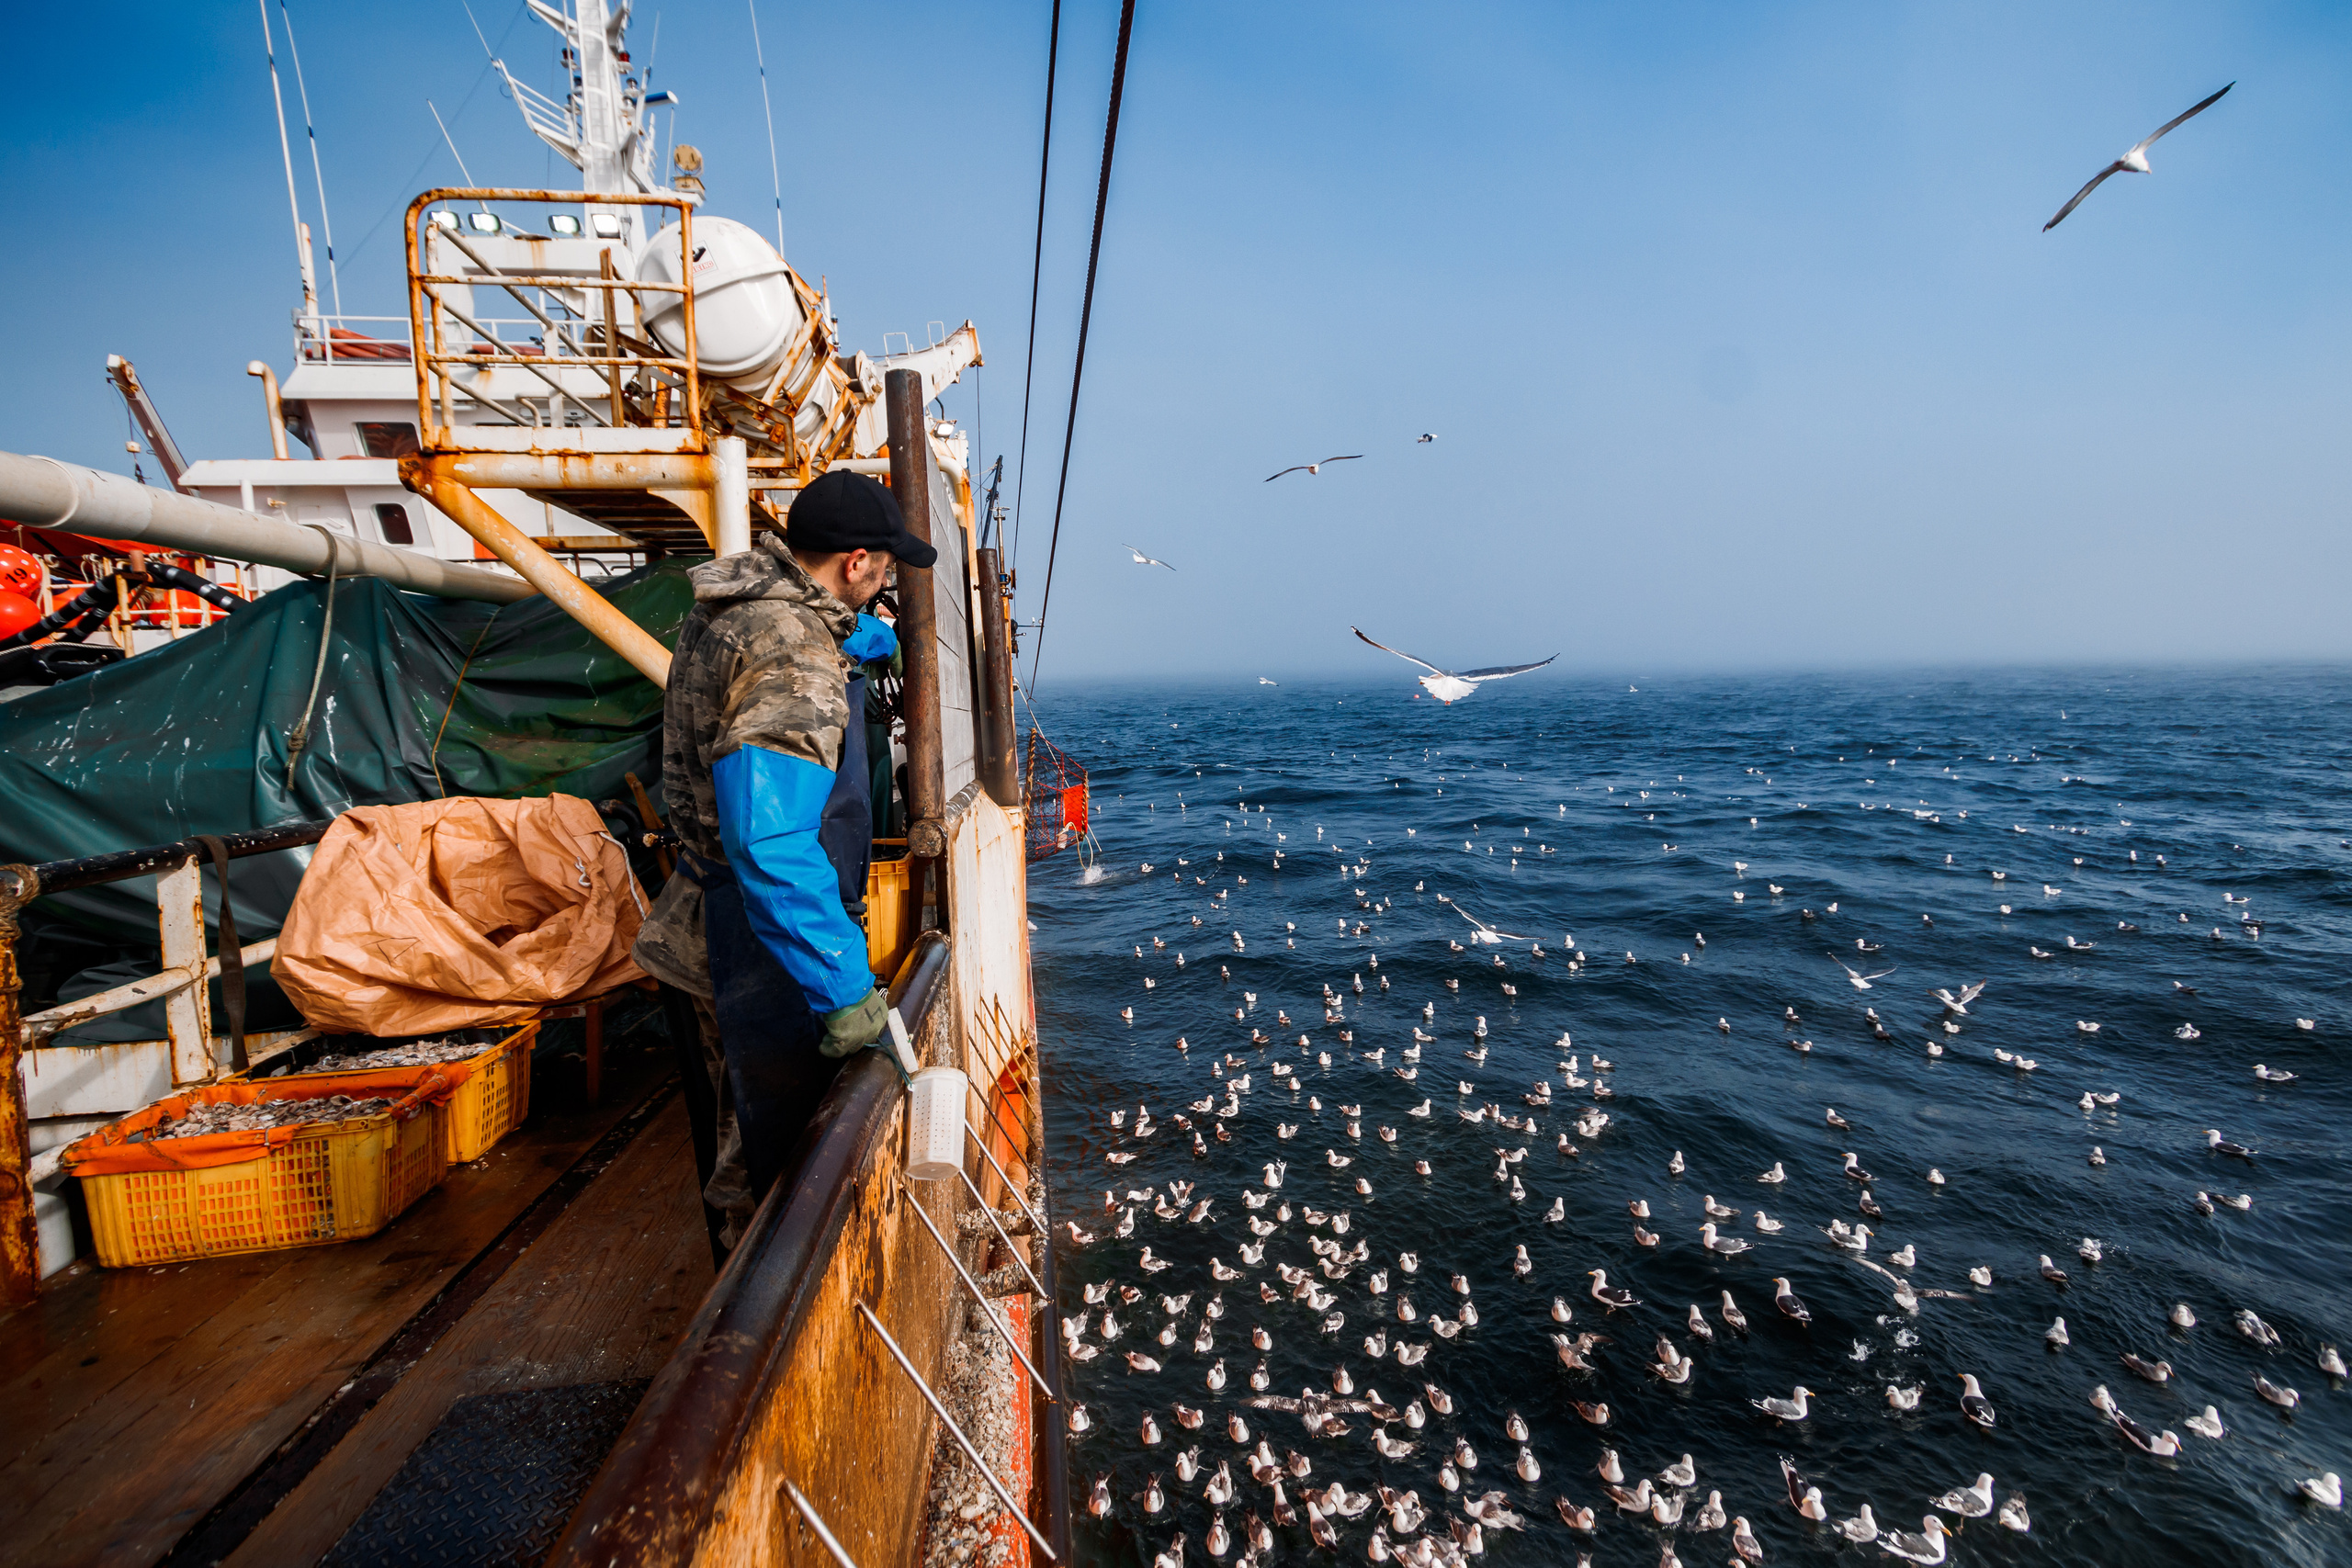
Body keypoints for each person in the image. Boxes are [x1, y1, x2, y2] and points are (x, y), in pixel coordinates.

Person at [633, 468, 935, 1253]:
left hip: (705, 914)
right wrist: (843, 991)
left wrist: (874, 637)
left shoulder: (747, 603)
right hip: (749, 941)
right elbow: (768, 841)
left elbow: (811, 630)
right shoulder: (795, 661)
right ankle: (744, 1337)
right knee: (761, 1157)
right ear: (857, 560)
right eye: (885, 568)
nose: (885, 580)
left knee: (733, 1121)